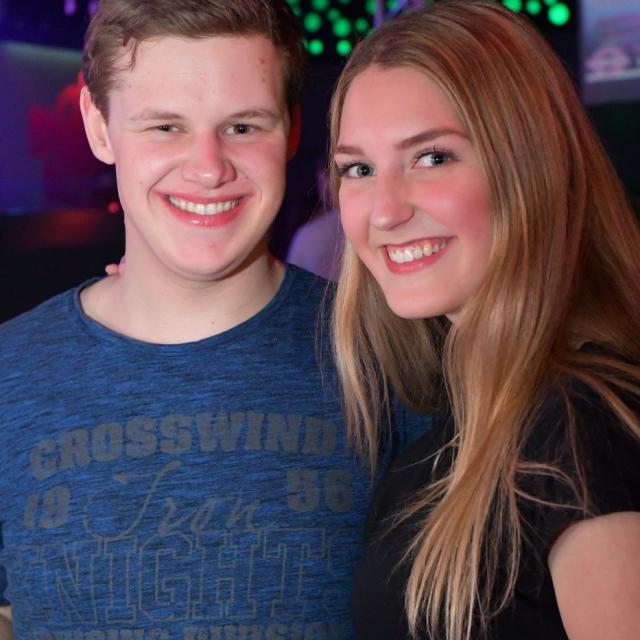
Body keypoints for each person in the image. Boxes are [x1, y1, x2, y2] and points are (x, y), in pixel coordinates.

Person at [0, 0, 424, 636]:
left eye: (243, 126)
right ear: (99, 125)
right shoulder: (9, 376)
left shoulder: (396, 358)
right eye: (165, 126)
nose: (208, 168)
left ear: (292, 127)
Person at [328, 1, 640, 639]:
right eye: (359, 169)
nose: (383, 212)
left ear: (528, 164)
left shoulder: (582, 427)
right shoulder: (459, 425)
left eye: (432, 157)